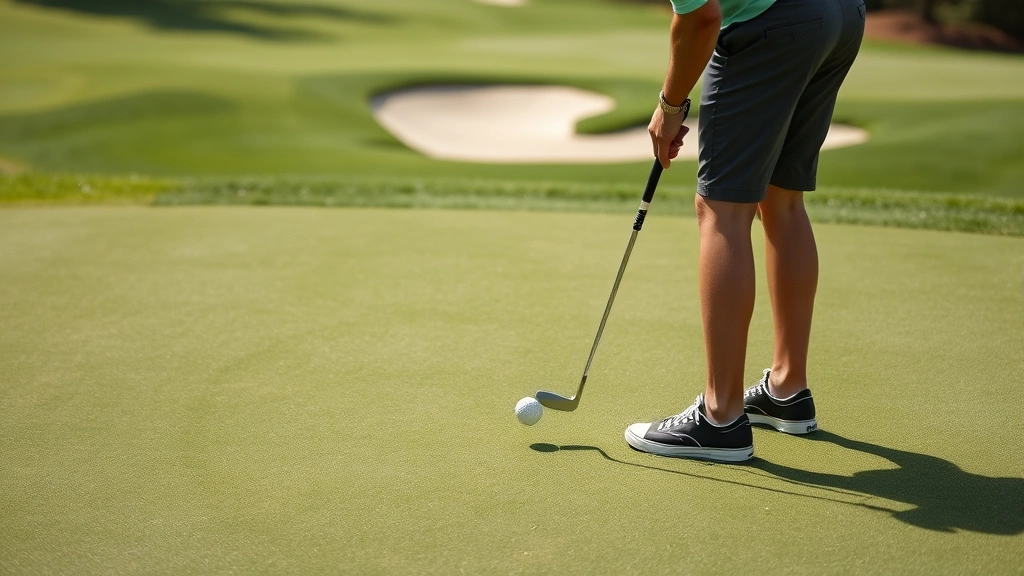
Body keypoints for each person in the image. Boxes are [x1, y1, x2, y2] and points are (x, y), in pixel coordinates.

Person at [624, 0, 865, 462]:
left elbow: (702, 17)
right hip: (841, 16)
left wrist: (670, 106)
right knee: (782, 197)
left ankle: (720, 417)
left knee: (722, 209)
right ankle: (786, 389)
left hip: (773, 25)